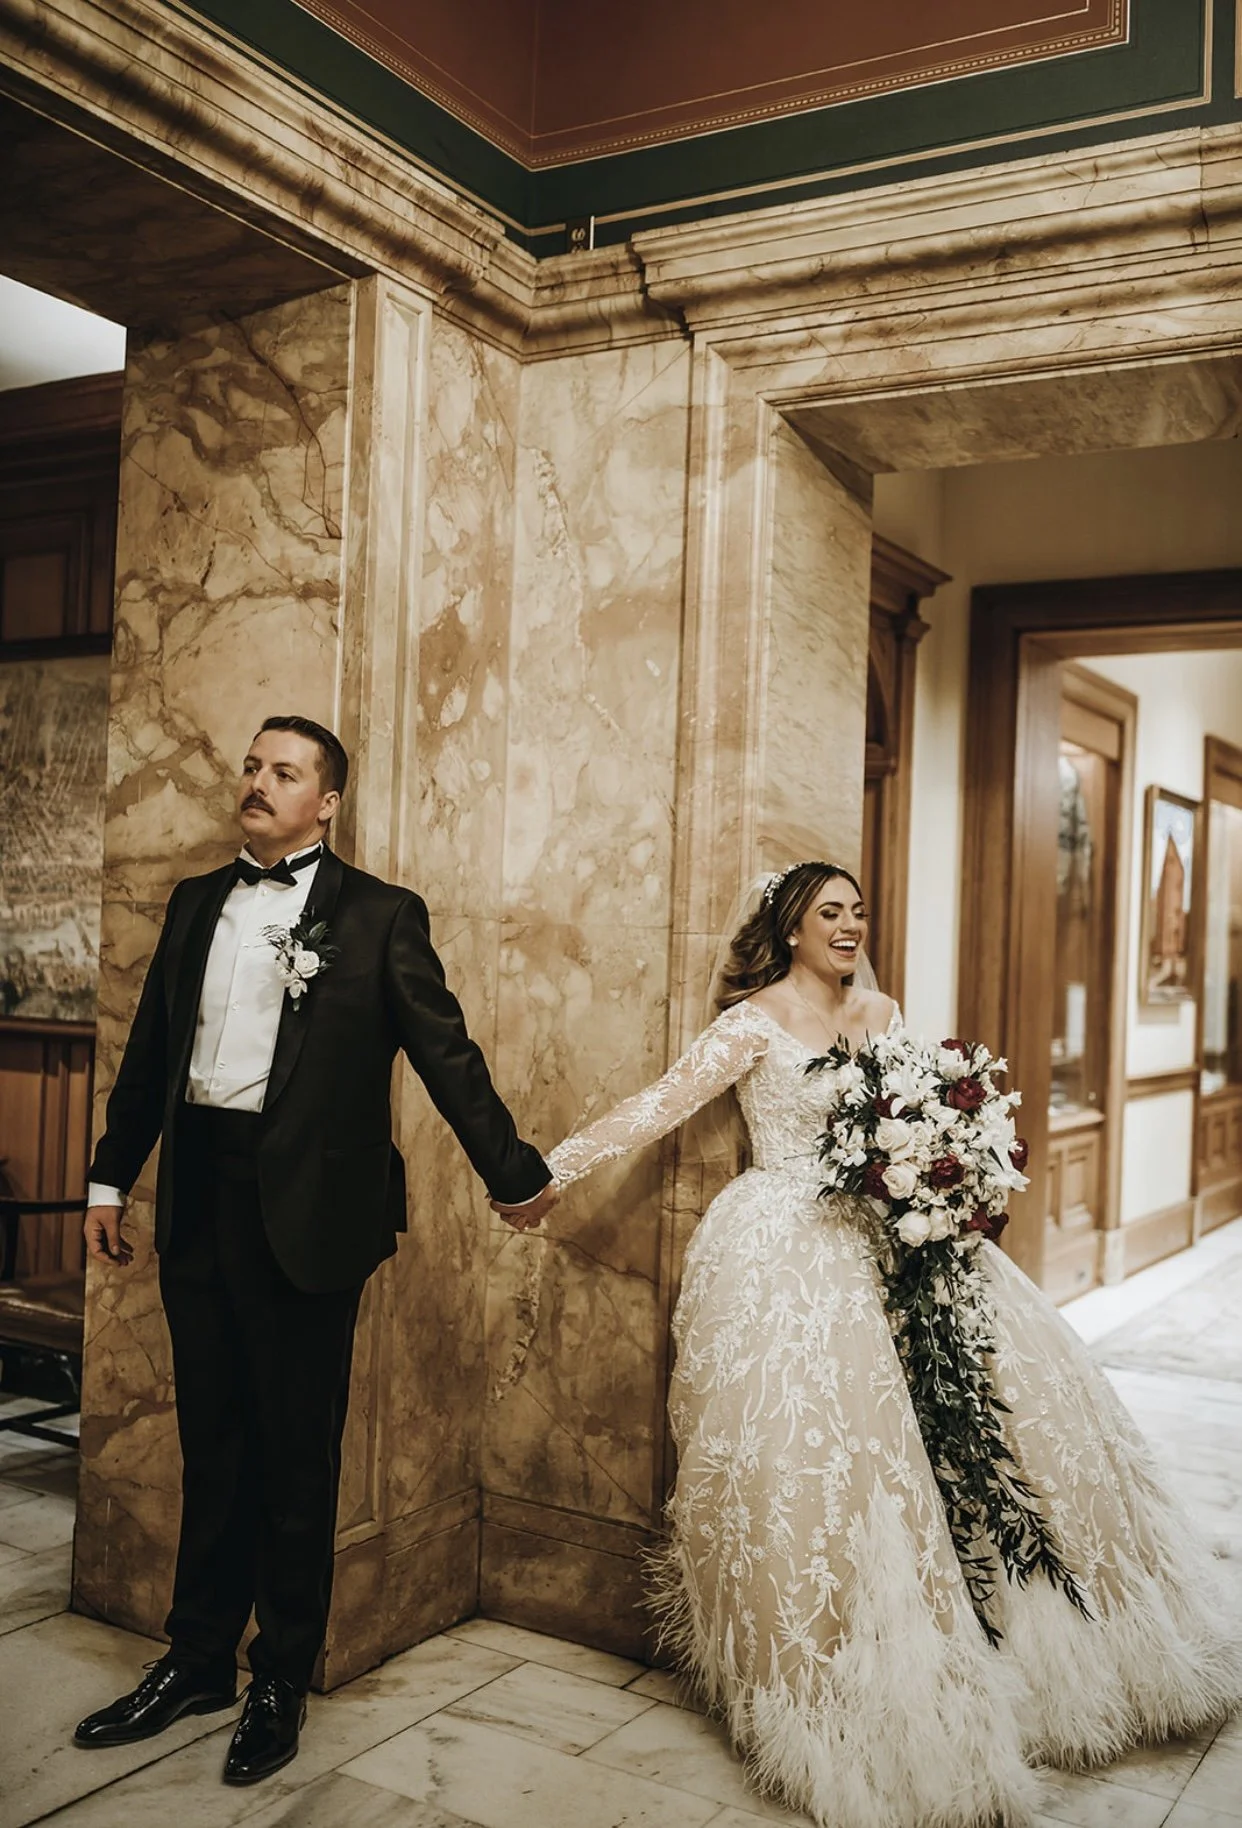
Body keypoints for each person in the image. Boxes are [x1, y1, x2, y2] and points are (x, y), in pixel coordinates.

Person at [536, 861, 1241, 1828]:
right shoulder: (752, 1022)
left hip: (894, 1234)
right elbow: (655, 1105)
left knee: (989, 1420)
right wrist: (546, 1171)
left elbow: (913, 1114)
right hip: (787, 1243)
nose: (850, 925)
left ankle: (1037, 1638)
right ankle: (844, 1671)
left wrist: (944, 1167)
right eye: (830, 912)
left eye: (858, 911)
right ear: (790, 928)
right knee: (832, 1450)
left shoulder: (882, 1011)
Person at [74, 715, 555, 1786]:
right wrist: (113, 1174)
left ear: (325, 802)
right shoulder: (198, 902)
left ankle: (280, 1674)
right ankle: (196, 1656)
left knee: (297, 1454)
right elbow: (152, 1049)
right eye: (252, 766)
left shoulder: (380, 916)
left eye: (282, 772)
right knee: (214, 1442)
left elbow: (446, 1051)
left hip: (311, 1217)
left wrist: (512, 1170)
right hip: (200, 1198)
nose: (257, 782)